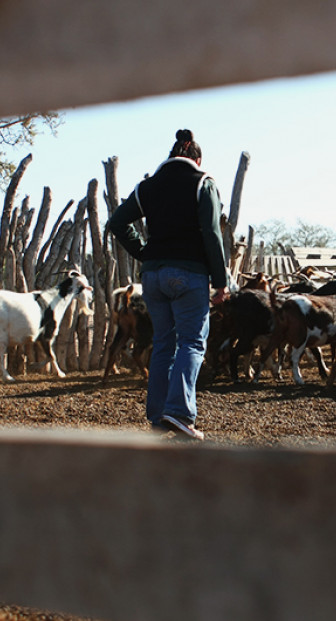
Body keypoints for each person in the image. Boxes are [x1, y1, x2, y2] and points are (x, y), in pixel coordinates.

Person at [107, 129, 230, 440]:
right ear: (198, 159)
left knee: (164, 343)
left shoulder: (148, 186)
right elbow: (212, 234)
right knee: (192, 342)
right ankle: (178, 413)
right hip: (189, 274)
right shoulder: (204, 182)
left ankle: (158, 416)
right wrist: (221, 281)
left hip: (153, 276)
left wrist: (144, 252)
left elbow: (117, 223)